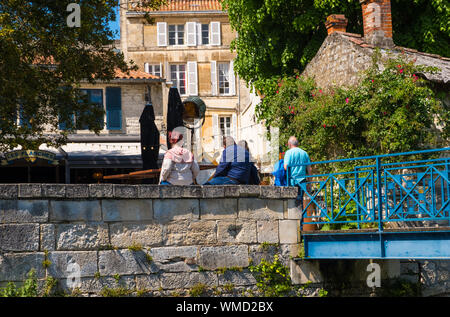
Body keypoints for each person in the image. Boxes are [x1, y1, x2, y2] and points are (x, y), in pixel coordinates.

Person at [284, 136, 311, 207]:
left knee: (292, 202)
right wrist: (310, 183)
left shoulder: (288, 153)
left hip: (292, 180)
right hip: (302, 180)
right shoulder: (304, 153)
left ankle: (294, 217)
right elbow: (309, 169)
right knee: (301, 202)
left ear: (289, 144)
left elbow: (286, 167)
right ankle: (301, 217)